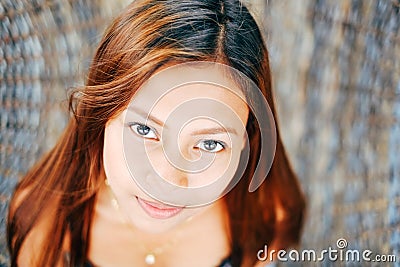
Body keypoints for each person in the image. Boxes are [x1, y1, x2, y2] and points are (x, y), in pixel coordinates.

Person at [7, 0, 306, 266]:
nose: (168, 180)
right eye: (144, 129)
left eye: (211, 143)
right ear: (101, 117)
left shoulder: (265, 218)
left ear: (245, 141)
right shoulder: (43, 223)